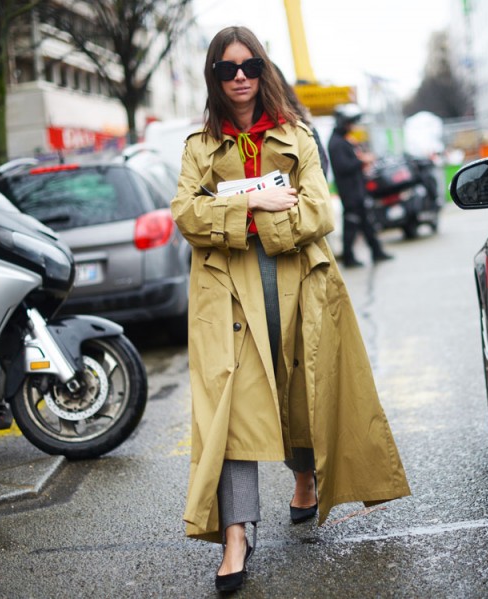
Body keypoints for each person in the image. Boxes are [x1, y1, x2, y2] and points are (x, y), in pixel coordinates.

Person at [171, 26, 411, 593]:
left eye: (249, 66)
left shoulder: (295, 134)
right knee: (234, 407)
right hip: (228, 290)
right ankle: (236, 535)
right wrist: (253, 202)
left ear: (263, 69)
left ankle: (305, 477)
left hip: (299, 281)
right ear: (213, 76)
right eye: (227, 69)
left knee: (301, 385)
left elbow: (319, 213)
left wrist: (229, 212)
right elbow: (185, 215)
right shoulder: (197, 146)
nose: (239, 78)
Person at [327, 104, 393, 267]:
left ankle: (376, 251)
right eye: (350, 123)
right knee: (352, 224)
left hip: (356, 190)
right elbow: (343, 166)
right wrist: (362, 161)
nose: (352, 126)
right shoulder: (336, 143)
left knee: (365, 222)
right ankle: (349, 257)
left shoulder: (343, 140)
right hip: (350, 192)